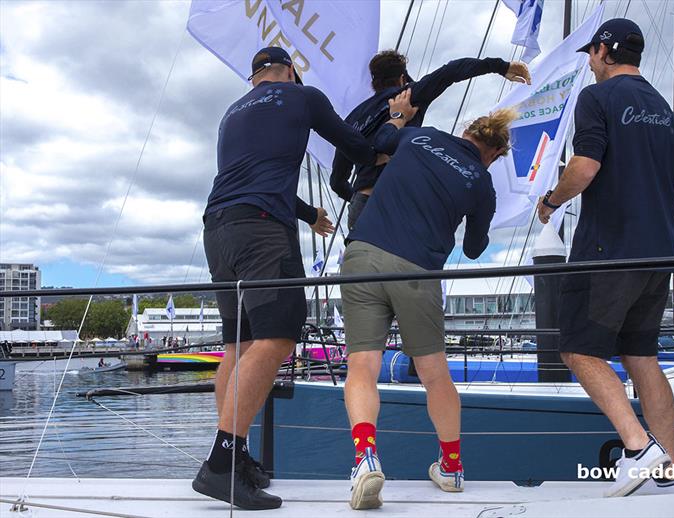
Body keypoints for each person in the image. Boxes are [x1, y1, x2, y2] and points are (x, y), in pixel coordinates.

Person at [193, 47, 379, 510]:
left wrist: (309, 213)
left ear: (253, 77)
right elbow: (352, 142)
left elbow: (253, 176)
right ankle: (221, 462)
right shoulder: (303, 97)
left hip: (218, 227)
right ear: (290, 72)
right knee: (278, 338)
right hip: (261, 231)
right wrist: (392, 132)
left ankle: (235, 460)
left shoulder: (231, 114)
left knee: (238, 346)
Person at [341, 88, 515, 509]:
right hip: (417, 270)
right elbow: (474, 248)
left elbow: (380, 143)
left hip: (363, 254)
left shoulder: (422, 137)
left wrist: (399, 114)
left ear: (466, 131)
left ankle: (366, 459)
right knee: (434, 372)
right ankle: (451, 468)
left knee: (363, 364)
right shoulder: (481, 181)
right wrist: (478, 217)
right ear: (492, 152)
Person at [536, 18, 674, 497]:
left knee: (578, 350)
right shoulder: (667, 111)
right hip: (660, 251)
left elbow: (584, 167)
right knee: (642, 355)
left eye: (590, 53)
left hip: (608, 249)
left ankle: (640, 450)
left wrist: (550, 202)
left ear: (604, 50)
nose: (588, 61)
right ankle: (667, 471)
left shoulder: (596, 99)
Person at [330, 50, 530, 230]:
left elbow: (337, 181)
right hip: (397, 201)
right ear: (402, 78)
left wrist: (357, 198)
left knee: (362, 269)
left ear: (373, 82)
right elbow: (451, 71)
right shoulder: (408, 95)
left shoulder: (353, 120)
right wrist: (501, 66)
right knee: (405, 268)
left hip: (362, 206)